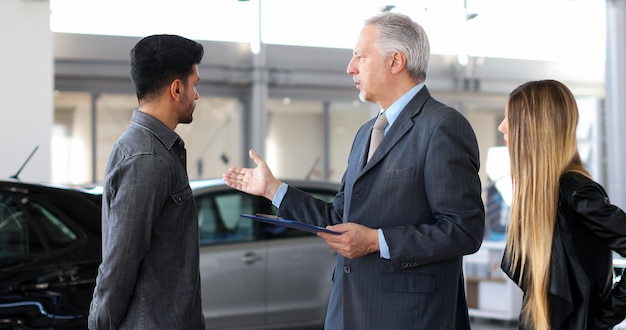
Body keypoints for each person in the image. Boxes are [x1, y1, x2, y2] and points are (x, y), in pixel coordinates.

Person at [223, 12, 485, 329]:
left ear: (395, 61)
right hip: (349, 311)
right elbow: (339, 219)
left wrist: (377, 241)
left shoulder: (442, 126)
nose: (350, 67)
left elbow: (464, 230)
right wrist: (273, 190)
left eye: (360, 55)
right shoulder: (366, 133)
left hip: (409, 317)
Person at [88, 34, 205, 330]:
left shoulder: (152, 149)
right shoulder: (147, 158)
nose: (197, 95)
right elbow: (119, 264)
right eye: (195, 85)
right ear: (176, 89)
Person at [498, 79, 626, 329]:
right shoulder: (542, 196)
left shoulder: (576, 194)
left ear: (536, 127)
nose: (502, 127)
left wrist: (599, 321)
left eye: (510, 118)